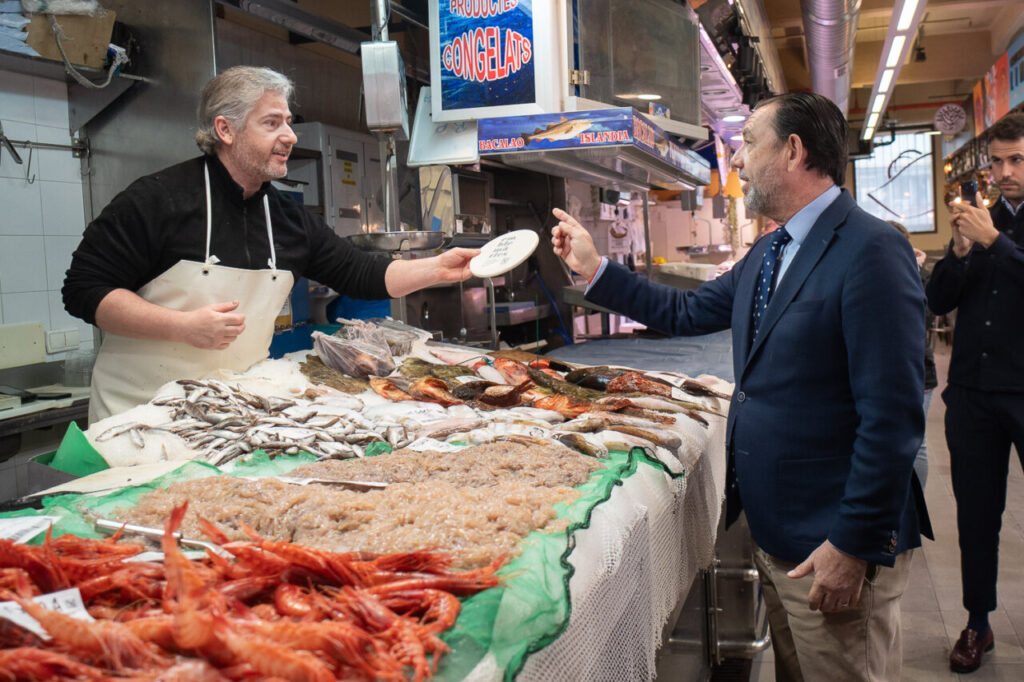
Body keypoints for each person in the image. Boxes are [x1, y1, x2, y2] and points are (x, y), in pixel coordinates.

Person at [552, 92, 931, 681]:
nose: (737, 161)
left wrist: (853, 545)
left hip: (831, 538)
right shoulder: (769, 251)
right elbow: (683, 312)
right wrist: (596, 269)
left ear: (794, 151)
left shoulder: (870, 250)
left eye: (749, 143)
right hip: (778, 534)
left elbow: (894, 416)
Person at [63, 66, 478, 423]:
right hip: (140, 412)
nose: (290, 135)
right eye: (272, 123)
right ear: (225, 129)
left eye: (289, 121)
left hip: (229, 410)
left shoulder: (287, 218)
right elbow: (84, 290)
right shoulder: (156, 200)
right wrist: (182, 327)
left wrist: (438, 268)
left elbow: (362, 273)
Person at [926, 112, 1024, 674]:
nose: (1005, 172)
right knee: (977, 516)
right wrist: (961, 253)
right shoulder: (977, 220)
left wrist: (996, 244)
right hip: (973, 394)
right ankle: (977, 622)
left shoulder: (996, 229)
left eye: (1016, 160)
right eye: (997, 162)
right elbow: (939, 301)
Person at [888, 219, 937, 487]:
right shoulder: (876, 271)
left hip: (919, 369)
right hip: (890, 370)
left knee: (916, 444)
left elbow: (925, 316)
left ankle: (915, 515)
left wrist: (915, 270)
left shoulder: (919, 275)